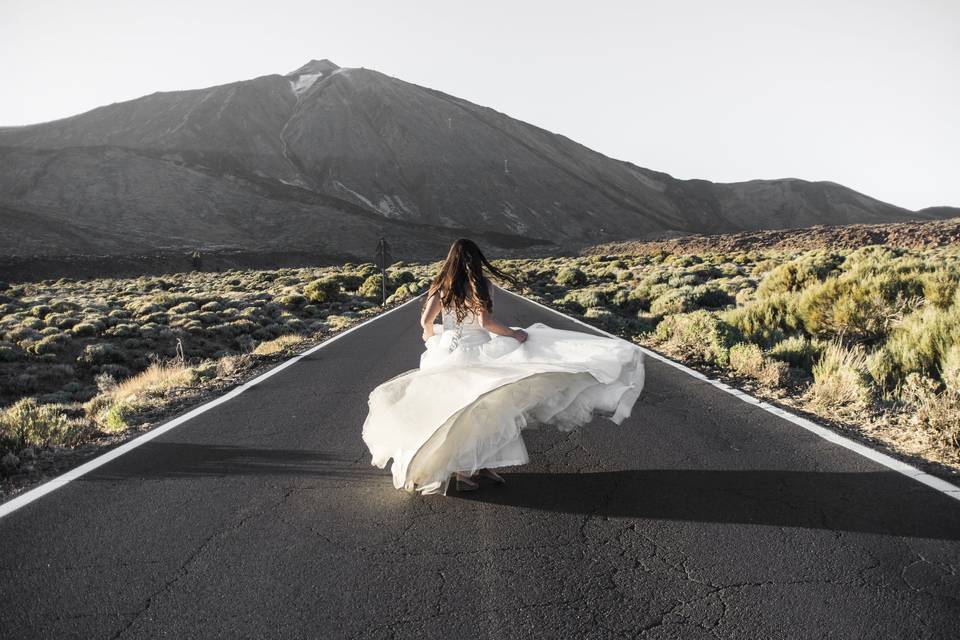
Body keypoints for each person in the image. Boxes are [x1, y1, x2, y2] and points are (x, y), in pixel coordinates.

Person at [361, 238, 645, 495]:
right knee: (487, 410)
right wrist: (514, 334)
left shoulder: (440, 287)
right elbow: (485, 323)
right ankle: (466, 471)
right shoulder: (482, 285)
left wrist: (436, 340)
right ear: (476, 260)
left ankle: (476, 467)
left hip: (448, 353)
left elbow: (425, 324)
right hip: (480, 352)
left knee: (460, 412)